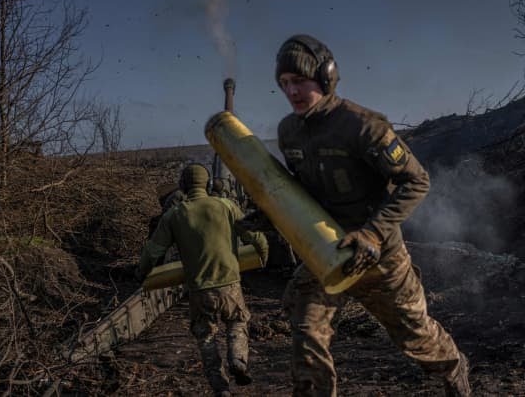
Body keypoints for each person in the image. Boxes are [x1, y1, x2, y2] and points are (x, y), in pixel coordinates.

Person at [273, 34, 471, 396]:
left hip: (379, 255)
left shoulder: (363, 125)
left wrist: (372, 233)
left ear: (325, 76)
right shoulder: (288, 133)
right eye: (284, 84)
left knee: (417, 336)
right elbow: (301, 191)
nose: (292, 92)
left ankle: (454, 367)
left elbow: (416, 181)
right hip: (327, 251)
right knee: (306, 332)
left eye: (299, 81)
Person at [137, 163, 269, 397]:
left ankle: (220, 388)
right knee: (237, 323)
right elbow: (255, 236)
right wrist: (262, 256)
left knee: (206, 336)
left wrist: (144, 274)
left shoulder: (174, 215)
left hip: (199, 289)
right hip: (230, 284)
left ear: (183, 186)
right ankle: (238, 361)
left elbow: (153, 252)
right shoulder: (227, 205)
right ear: (207, 184)